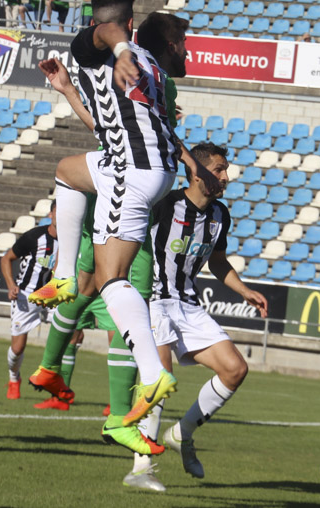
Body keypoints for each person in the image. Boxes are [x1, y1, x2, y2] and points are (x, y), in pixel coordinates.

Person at [28, 0, 220, 430]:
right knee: (66, 170)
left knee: (111, 279)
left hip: (129, 173)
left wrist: (115, 47)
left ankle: (150, 376)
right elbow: (113, 128)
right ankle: (62, 283)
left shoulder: (112, 50)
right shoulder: (147, 72)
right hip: (142, 166)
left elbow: (104, 31)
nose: (186, 51)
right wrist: (69, 90)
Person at [128, 142, 268, 489]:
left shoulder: (221, 215)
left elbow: (218, 262)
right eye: (219, 169)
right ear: (197, 171)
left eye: (226, 169)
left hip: (188, 304)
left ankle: (182, 433)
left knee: (236, 369)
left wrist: (245, 290)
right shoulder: (164, 204)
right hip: (154, 301)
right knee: (159, 379)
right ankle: (140, 469)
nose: (226, 176)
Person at [0, 207, 58, 400]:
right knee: (17, 349)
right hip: (26, 296)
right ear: (51, 214)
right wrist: (11, 285)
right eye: (58, 211)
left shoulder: (73, 239)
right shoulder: (34, 237)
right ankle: (13, 376)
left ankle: (58, 390)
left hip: (55, 297)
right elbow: (6, 259)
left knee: (71, 337)